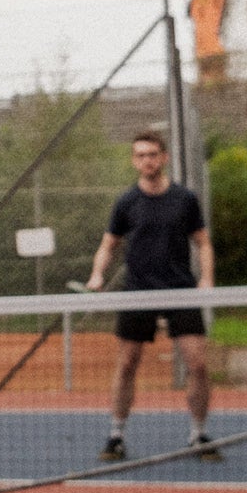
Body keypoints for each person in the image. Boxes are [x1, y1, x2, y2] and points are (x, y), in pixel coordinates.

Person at [87, 130, 220, 464]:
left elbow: (203, 243)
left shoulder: (184, 199)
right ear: (135, 161)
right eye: (140, 155)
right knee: (127, 363)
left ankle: (198, 434)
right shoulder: (126, 202)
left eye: (152, 154)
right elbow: (108, 245)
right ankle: (116, 435)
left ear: (164, 158)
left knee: (199, 365)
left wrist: (207, 279)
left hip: (180, 291)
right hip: (137, 292)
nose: (147, 160)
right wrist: (97, 274)